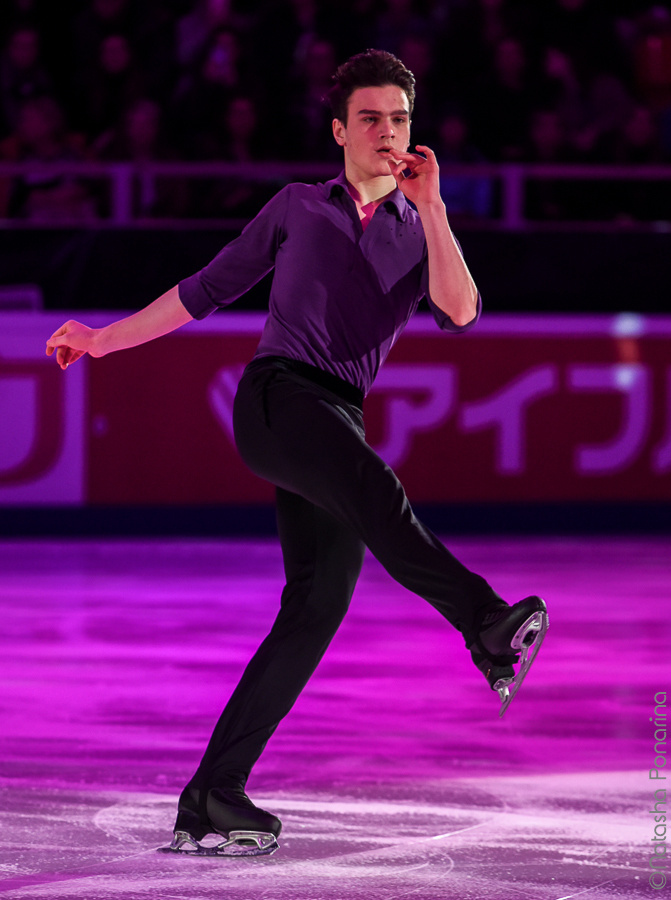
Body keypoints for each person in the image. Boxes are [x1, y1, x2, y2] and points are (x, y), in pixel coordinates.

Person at [46, 49, 547, 858]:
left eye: (401, 120)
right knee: (377, 493)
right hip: (278, 398)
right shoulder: (296, 208)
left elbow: (460, 312)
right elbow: (203, 290)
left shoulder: (419, 228)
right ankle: (487, 624)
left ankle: (213, 794)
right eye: (373, 119)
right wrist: (102, 340)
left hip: (336, 418)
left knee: (315, 609)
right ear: (339, 129)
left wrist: (435, 207)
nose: (389, 133)